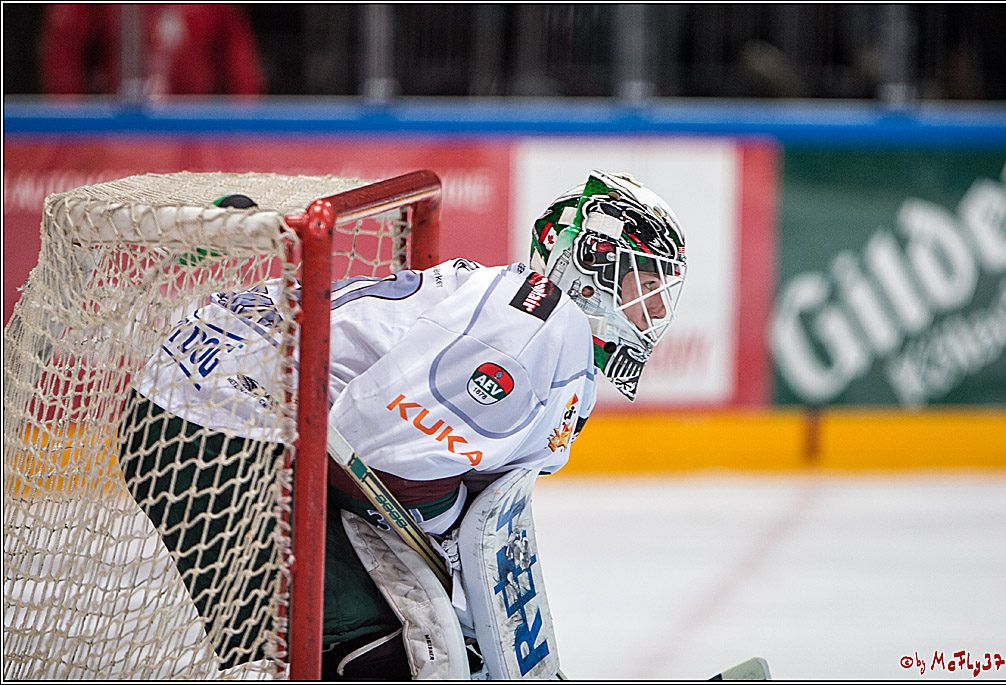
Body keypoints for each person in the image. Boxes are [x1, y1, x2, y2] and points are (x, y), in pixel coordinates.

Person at [118, 170, 687, 678]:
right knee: (388, 652)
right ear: (590, 268)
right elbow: (380, 456)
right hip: (213, 415)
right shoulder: (532, 332)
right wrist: (449, 541)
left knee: (420, 640)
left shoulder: (550, 336)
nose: (659, 310)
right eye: (646, 284)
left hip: (240, 403)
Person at [40, 4, 265, 98]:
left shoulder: (215, 8)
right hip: (118, 132)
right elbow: (63, 64)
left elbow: (243, 78)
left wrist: (242, 134)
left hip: (194, 131)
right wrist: (75, 130)